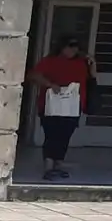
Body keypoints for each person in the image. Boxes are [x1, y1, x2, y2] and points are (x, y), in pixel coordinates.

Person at [28, 37, 94, 181]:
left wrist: (92, 63)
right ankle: (48, 166)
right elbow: (34, 75)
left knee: (65, 136)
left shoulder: (81, 63)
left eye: (76, 46)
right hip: (51, 106)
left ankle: (58, 164)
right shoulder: (50, 61)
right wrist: (50, 84)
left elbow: (91, 79)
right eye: (70, 46)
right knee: (52, 135)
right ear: (62, 47)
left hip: (72, 106)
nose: (73, 50)